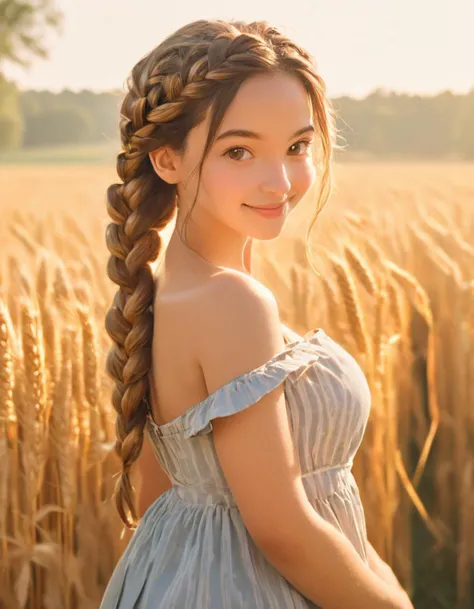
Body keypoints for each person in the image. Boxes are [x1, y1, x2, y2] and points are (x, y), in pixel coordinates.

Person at [101, 18, 414, 609]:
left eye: (297, 147)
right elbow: (284, 530)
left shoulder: (165, 292)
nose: (279, 181)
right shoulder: (231, 303)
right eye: (239, 151)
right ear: (167, 159)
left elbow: (156, 498)